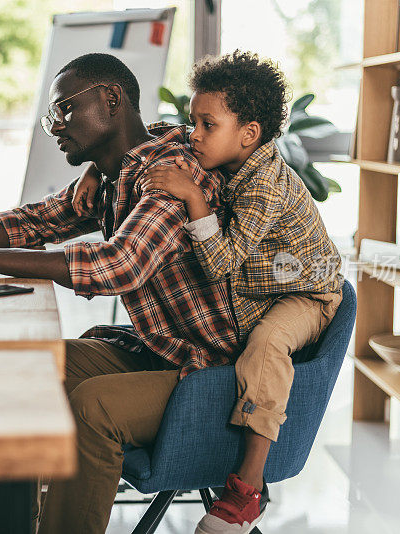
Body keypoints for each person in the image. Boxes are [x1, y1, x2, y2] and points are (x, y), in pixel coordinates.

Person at [0, 53, 242, 534]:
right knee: (21, 371)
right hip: (159, 351)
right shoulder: (118, 172)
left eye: (64, 109)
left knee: (93, 408)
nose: (54, 126)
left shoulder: (170, 176)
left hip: (209, 374)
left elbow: (117, 266)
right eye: (52, 115)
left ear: (112, 100)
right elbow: (34, 221)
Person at [72, 50, 344, 534]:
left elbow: (221, 263)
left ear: (249, 134)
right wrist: (99, 168)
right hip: (265, 284)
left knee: (266, 346)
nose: (192, 134)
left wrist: (194, 198)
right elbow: (154, 134)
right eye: (192, 120)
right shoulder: (223, 153)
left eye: (206, 124)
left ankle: (246, 490)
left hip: (307, 293)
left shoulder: (265, 185)